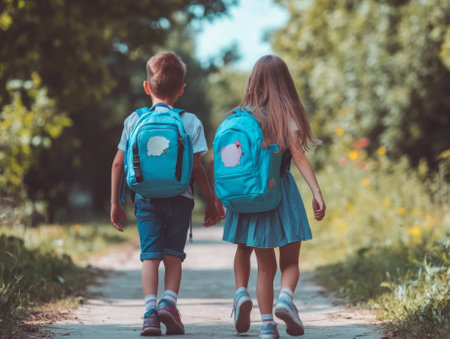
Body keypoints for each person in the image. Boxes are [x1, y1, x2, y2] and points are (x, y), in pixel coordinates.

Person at [110, 51, 223, 336]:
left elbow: (117, 163)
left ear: (147, 87)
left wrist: (116, 202)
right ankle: (169, 304)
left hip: (144, 197)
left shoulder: (133, 121)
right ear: (182, 90)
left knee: (150, 256)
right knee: (173, 256)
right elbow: (197, 167)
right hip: (180, 198)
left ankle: (149, 311)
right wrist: (210, 200)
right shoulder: (190, 122)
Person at [222, 55, 326, 339]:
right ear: (285, 84)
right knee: (289, 262)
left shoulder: (242, 118)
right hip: (280, 194)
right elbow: (300, 156)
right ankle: (286, 299)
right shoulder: (286, 115)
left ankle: (267, 324)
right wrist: (317, 192)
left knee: (264, 266)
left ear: (253, 81)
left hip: (249, 194)